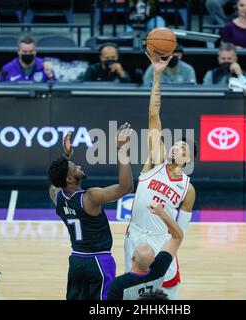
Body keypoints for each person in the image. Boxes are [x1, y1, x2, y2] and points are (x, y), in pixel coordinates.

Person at [124, 51, 197, 300]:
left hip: (162, 241)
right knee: (133, 293)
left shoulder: (188, 188)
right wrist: (157, 76)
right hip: (135, 235)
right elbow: (153, 116)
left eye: (182, 148)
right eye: (175, 144)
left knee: (167, 293)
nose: (176, 147)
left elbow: (180, 231)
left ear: (188, 160)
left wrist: (165, 220)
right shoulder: (155, 162)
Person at [48, 125, 134, 300]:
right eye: (73, 167)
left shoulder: (57, 197)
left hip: (76, 262)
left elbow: (54, 183)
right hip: (98, 261)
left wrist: (66, 157)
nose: (78, 165)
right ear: (70, 179)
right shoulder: (90, 197)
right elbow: (126, 187)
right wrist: (122, 148)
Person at [108, 200, 184, 300]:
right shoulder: (159, 270)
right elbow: (177, 236)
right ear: (153, 260)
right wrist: (161, 214)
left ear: (132, 257)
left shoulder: (118, 284)